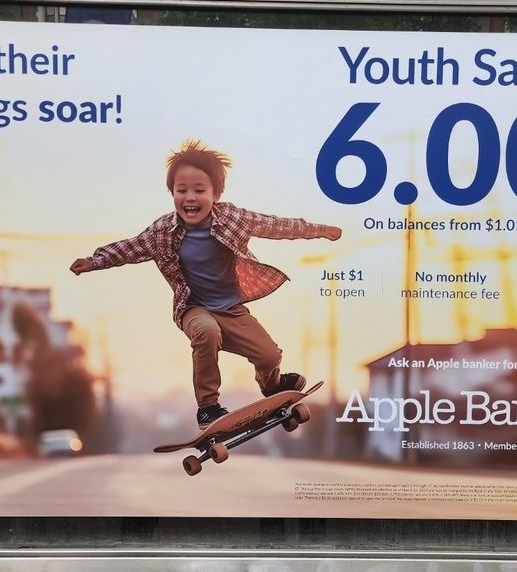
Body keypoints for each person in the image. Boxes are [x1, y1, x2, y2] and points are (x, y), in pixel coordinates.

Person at [70, 140, 341, 429]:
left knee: (269, 354)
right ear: (172, 192)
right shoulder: (162, 231)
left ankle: (271, 385)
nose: (190, 198)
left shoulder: (232, 218)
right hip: (193, 309)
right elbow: (130, 247)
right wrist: (95, 260)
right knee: (207, 331)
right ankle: (208, 407)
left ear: (216, 194)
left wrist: (319, 230)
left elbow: (275, 226)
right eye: (181, 190)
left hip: (231, 309)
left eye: (200, 191)